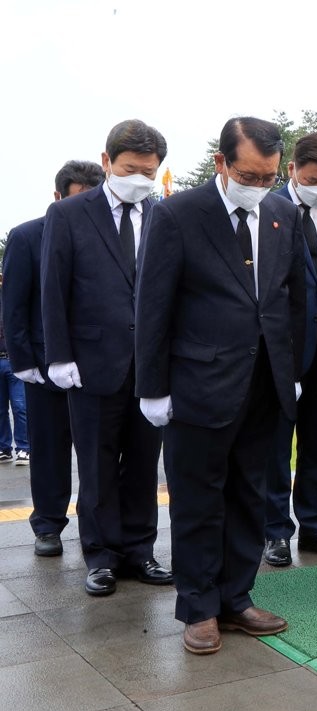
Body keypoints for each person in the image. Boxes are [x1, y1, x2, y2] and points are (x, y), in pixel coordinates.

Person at [135, 116, 305, 654]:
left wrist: (292, 370)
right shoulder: (179, 214)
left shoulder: (281, 213)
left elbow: (291, 299)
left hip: (263, 384)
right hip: (197, 385)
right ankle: (199, 607)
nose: (258, 187)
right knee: (198, 500)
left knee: (251, 495)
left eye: (269, 177)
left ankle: (236, 596)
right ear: (222, 164)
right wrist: (152, 386)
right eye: (248, 175)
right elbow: (153, 305)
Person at [41, 120, 172, 596]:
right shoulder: (71, 214)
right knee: (95, 467)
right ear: (107, 163)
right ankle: (100, 556)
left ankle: (141, 550)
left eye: (149, 171)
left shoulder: (164, 215)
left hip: (150, 368)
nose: (140, 178)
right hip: (92, 363)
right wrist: (59, 355)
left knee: (143, 466)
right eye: (130, 168)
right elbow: (53, 288)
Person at [3, 160, 103, 556]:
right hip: (45, 366)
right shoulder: (28, 236)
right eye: (78, 201)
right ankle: (47, 524)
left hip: (97, 363)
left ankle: (101, 528)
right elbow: (14, 305)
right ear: (58, 197)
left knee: (100, 453)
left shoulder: (106, 234)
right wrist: (23, 360)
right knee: (49, 448)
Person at [263, 132, 317, 566]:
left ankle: (315, 524)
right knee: (276, 446)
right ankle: (275, 529)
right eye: (314, 178)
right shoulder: (268, 208)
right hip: (282, 348)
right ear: (292, 170)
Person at [0, 291, 29, 467]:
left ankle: (24, 447)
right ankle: (4, 447)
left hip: (13, 360)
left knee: (20, 406)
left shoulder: (10, 296)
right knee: (0, 410)